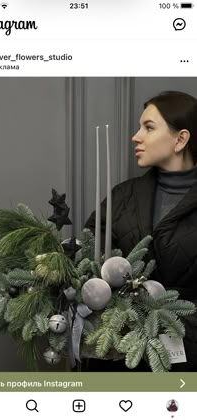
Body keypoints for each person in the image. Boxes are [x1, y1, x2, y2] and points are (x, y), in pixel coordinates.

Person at [83, 91, 197, 372]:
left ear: (180, 139)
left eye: (148, 127)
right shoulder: (123, 196)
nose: (136, 136)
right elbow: (87, 256)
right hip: (120, 352)